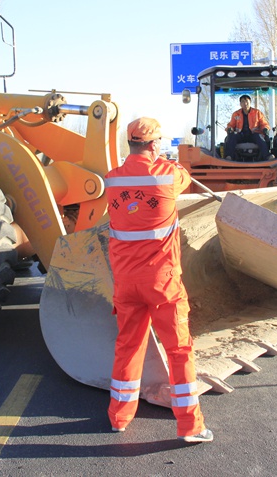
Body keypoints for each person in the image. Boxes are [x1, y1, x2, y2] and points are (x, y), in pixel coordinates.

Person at [104, 117, 213, 443]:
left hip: (126, 282)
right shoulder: (167, 176)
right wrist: (167, 159)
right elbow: (185, 176)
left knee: (128, 347)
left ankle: (119, 418)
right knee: (179, 350)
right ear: (154, 145)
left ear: (130, 143)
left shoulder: (112, 181)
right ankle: (191, 427)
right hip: (162, 281)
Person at [224, 94, 273, 161]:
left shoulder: (257, 113)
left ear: (250, 102)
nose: (245, 103)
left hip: (253, 134)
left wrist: (265, 128)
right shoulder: (236, 114)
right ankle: (229, 156)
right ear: (240, 104)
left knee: (260, 137)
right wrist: (229, 129)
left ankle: (267, 156)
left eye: (247, 101)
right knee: (232, 136)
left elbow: (263, 123)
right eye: (243, 102)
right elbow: (231, 125)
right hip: (241, 135)